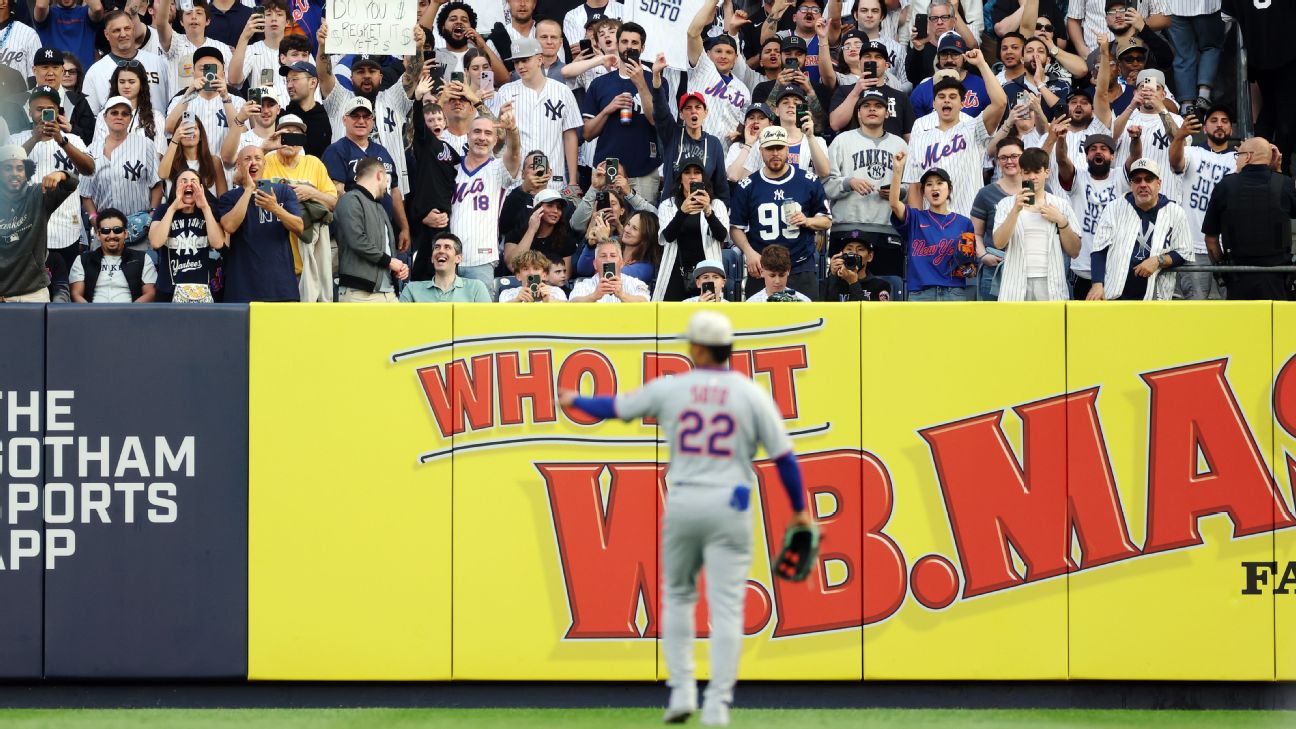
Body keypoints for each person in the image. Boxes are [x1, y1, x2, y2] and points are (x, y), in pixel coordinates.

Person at [558, 309, 812, 728]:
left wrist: (574, 399)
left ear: (695, 347)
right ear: (728, 348)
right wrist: (800, 511)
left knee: (677, 596)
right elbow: (784, 460)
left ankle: (681, 689)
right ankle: (717, 704)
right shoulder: (750, 393)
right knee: (728, 608)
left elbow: (614, 407)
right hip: (731, 503)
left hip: (687, 501)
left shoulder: (675, 388)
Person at [729, 126, 832, 300]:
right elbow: (735, 228)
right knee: (761, 325)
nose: (775, 153)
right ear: (761, 150)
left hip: (800, 265)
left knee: (806, 322)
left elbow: (826, 220)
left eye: (779, 148)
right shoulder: (747, 185)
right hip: (763, 270)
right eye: (769, 148)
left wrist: (806, 220)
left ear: (787, 148)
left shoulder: (808, 180)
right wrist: (749, 252)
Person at [904, 50, 1007, 217]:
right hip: (931, 224)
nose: (946, 100)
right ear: (934, 103)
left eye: (953, 96)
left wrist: (981, 64)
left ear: (962, 103)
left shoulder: (974, 128)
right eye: (941, 96)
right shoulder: (921, 135)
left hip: (967, 219)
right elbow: (915, 185)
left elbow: (1000, 103)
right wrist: (917, 226)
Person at [11, 86, 96, 275]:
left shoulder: (73, 139)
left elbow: (89, 169)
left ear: (57, 111)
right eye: (39, 109)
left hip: (66, 230)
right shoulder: (16, 140)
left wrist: (61, 140)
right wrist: (34, 139)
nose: (43, 114)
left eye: (48, 109)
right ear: (30, 112)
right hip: (25, 232)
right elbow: (5, 170)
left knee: (65, 291)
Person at [825, 89, 907, 278]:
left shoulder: (900, 145)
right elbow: (826, 184)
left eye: (878, 106)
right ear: (858, 112)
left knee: (886, 293)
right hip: (846, 228)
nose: (872, 110)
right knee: (842, 293)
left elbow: (911, 187)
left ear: (887, 113)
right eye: (866, 106)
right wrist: (849, 183)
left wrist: (898, 192)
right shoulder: (841, 141)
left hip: (886, 229)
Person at [1203, 137, 1296, 301]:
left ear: (1248, 156)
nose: (1236, 159)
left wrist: (1223, 267)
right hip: (1277, 278)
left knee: (1240, 326)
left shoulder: (1225, 186)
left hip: (1238, 277)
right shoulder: (1285, 184)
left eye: (1237, 155)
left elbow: (1211, 240)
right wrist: (1278, 171)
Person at [1087, 158, 1192, 301]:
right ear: (1131, 184)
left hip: (1156, 297)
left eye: (1148, 179)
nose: (1143, 185)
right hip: (1115, 295)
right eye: (1137, 180)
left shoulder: (1175, 212)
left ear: (1159, 184)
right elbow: (1099, 249)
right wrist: (1097, 284)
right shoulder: (1114, 208)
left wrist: (1158, 260)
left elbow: (1184, 252)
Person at [322, 97, 412, 258]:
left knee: (388, 278)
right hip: (355, 232)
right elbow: (337, 194)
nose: (361, 121)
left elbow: (394, 190)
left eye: (366, 116)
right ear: (344, 120)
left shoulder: (382, 151)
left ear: (372, 120)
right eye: (355, 116)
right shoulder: (336, 150)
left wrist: (404, 228)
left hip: (385, 228)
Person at [488, 37, 582, 193]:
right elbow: (497, 137)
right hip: (516, 181)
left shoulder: (562, 91)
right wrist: (498, 118)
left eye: (525, 60)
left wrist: (572, 180)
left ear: (539, 59)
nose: (520, 66)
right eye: (516, 62)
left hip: (554, 179)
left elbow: (570, 135)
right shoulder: (506, 91)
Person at [581, 22, 660, 201]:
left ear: (643, 47)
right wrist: (608, 110)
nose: (629, 46)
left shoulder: (655, 80)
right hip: (608, 167)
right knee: (606, 221)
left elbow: (656, 120)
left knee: (644, 226)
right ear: (617, 45)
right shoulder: (600, 83)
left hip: (643, 169)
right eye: (624, 41)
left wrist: (640, 82)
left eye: (634, 42)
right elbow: (587, 133)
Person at [990, 147, 1082, 300]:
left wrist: (1061, 221)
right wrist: (1015, 210)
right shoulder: (1006, 204)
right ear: (1021, 173)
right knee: (1016, 324)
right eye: (1026, 172)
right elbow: (999, 243)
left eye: (1037, 171)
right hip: (1015, 283)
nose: (1032, 177)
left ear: (1047, 172)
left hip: (1051, 283)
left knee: (1050, 325)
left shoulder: (1060, 204)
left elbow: (1075, 251)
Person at [217, 145, 305, 302]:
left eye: (258, 158)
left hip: (280, 287)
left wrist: (275, 208)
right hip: (242, 288)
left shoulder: (283, 192)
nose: (253, 163)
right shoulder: (229, 198)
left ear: (265, 164)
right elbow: (229, 226)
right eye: (247, 159)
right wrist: (248, 190)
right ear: (238, 165)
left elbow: (299, 227)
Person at [888, 152, 978, 301]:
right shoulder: (915, 218)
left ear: (949, 188)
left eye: (939, 183)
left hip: (954, 292)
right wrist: (897, 171)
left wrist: (967, 267)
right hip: (920, 293)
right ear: (923, 192)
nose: (934, 187)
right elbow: (894, 204)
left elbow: (971, 270)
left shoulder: (964, 223)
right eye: (929, 184)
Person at [449, 110, 522, 294]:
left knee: (480, 320)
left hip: (481, 260)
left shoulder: (497, 168)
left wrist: (512, 130)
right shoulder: (451, 169)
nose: (482, 137)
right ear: (467, 135)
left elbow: (514, 154)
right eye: (477, 132)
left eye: (488, 133)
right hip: (448, 259)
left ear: (496, 140)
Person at [1168, 105, 1235, 300]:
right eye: (1213, 121)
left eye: (1224, 121)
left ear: (1231, 129)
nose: (1219, 125)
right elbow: (1175, 162)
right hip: (1193, 246)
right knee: (1195, 303)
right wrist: (1179, 136)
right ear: (1204, 128)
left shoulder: (1238, 158)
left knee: (1232, 305)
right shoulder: (1193, 152)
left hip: (1228, 248)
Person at [1224, 0, 1296, 177]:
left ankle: (1259, 164)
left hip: (1259, 56)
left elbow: (1227, 17)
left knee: (1270, 108)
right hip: (1288, 55)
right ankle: (1281, 169)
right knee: (1284, 114)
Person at [1053, 129, 1127, 300]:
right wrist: (1061, 140)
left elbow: (1135, 157)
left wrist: (1136, 140)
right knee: (1083, 323)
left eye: (1104, 148)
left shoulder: (1120, 177)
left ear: (1112, 156)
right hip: (1082, 267)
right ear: (1086, 156)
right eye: (1093, 149)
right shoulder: (1078, 178)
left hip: (1115, 267)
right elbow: (1062, 160)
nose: (1098, 151)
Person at [0, 144, 79, 303]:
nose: (14, 173)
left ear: (27, 172)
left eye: (20, 168)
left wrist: (61, 174)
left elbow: (73, 183)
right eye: (8, 168)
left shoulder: (38, 194)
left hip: (35, 292)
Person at [79, 96, 163, 237]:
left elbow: (156, 185)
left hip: (139, 227)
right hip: (106, 231)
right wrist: (93, 217)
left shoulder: (145, 145)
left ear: (130, 118)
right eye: (114, 113)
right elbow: (86, 194)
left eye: (125, 114)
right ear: (105, 117)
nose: (119, 117)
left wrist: (152, 215)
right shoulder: (91, 150)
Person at [654, 157, 729, 301]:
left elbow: (722, 236)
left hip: (707, 273)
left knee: (706, 316)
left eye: (697, 172)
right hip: (675, 271)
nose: (692, 176)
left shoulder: (717, 205)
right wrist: (682, 212)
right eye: (687, 172)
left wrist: (708, 211)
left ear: (703, 178)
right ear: (680, 178)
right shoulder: (667, 205)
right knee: (673, 319)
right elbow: (667, 237)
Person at [335, 157, 408, 302]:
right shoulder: (350, 199)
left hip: (388, 291)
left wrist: (398, 268)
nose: (386, 186)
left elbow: (385, 248)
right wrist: (390, 262)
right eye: (387, 180)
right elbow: (357, 240)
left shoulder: (379, 206)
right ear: (380, 175)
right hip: (359, 292)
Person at [147, 169, 225, 302]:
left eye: (193, 182)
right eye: (183, 182)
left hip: (203, 290)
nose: (189, 184)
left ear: (201, 188)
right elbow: (155, 242)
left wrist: (205, 207)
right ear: (175, 188)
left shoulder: (209, 210)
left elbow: (218, 243)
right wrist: (173, 208)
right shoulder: (164, 209)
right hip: (168, 289)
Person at [650, 76, 730, 205]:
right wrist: (657, 81)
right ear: (681, 114)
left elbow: (721, 184)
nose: (693, 111)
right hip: (672, 208)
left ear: (706, 112)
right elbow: (661, 112)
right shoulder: (672, 134)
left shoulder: (714, 143)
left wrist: (723, 212)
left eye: (698, 107)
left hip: (703, 209)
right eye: (688, 108)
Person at [683, 0, 750, 141]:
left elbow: (743, 124)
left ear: (736, 58)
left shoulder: (743, 90)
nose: (723, 56)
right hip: (694, 147)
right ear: (707, 54)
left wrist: (740, 135)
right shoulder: (702, 68)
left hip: (724, 156)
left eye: (729, 52)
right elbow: (692, 33)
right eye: (718, 51)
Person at [826, 36, 916, 137]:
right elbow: (835, 124)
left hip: (891, 151)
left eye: (878, 57)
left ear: (887, 65)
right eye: (867, 56)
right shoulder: (845, 91)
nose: (873, 60)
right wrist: (856, 92)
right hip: (856, 151)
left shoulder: (900, 96)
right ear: (859, 64)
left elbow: (909, 136)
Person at [82, 11, 169, 114]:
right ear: (106, 34)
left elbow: (170, 101)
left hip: (157, 127)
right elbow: (90, 116)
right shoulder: (95, 72)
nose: (123, 34)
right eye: (116, 30)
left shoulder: (157, 62)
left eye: (127, 28)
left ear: (133, 29)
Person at [169, 46, 245, 164]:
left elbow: (243, 133)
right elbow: (169, 129)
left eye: (214, 69)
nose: (209, 74)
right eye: (203, 69)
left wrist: (225, 97)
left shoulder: (237, 100)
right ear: (194, 74)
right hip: (190, 173)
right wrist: (189, 93)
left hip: (227, 172)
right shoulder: (180, 99)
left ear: (223, 74)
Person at [70, 207, 158, 302]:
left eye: (117, 230)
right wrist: (92, 314)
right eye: (105, 231)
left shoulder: (143, 259)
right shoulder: (83, 260)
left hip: (130, 314)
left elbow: (150, 293)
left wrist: (129, 313)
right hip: (93, 314)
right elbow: (76, 294)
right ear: (98, 235)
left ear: (125, 234)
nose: (112, 236)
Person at [152, 0, 233, 101]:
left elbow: (231, 85)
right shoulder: (174, 42)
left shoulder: (223, 49)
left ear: (208, 21)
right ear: (181, 21)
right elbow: (161, 23)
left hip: (213, 112)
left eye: (199, 13)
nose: (194, 17)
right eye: (188, 13)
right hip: (178, 112)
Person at [907, 32, 991, 120]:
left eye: (955, 54)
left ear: (964, 57)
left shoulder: (981, 86)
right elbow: (915, 129)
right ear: (938, 58)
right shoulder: (922, 91)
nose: (949, 60)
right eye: (944, 55)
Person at [398, 232, 492, 302]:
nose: (441, 251)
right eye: (437, 247)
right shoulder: (412, 290)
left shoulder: (476, 288)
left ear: (458, 258)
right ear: (432, 258)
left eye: (447, 247)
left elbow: (487, 324)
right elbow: (400, 324)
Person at [29, 47, 95, 144]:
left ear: (62, 70)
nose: (50, 73)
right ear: (34, 70)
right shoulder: (20, 102)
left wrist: (72, 129)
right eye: (45, 67)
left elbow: (92, 139)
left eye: (55, 67)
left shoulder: (77, 101)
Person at [506, 188, 578, 273]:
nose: (555, 211)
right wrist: (531, 229)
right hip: (523, 284)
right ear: (537, 208)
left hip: (552, 285)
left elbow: (565, 275)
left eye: (559, 208)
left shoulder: (565, 237)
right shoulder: (518, 232)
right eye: (550, 205)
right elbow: (513, 266)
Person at [568, 238, 650, 302]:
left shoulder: (635, 283)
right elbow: (572, 303)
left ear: (621, 263)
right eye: (603, 256)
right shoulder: (584, 285)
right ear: (595, 264)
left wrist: (622, 295)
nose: (608, 259)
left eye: (613, 256)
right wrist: (594, 296)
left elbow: (645, 302)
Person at [281, 61, 331, 157]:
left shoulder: (326, 117)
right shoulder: (283, 118)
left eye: (295, 79)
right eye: (287, 80)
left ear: (313, 82)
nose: (289, 86)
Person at [825, 235, 891, 301]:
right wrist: (833, 276)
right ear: (841, 254)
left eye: (860, 249)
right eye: (849, 249)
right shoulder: (827, 283)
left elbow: (870, 311)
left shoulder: (880, 286)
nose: (854, 253)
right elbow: (826, 309)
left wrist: (853, 283)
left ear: (870, 256)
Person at [746, 243, 812, 301]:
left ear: (788, 271)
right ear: (762, 272)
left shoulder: (804, 302)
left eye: (781, 275)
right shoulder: (751, 304)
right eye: (772, 275)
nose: (777, 281)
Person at [500, 249, 567, 302]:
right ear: (518, 276)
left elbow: (566, 311)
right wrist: (517, 300)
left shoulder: (556, 292)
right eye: (525, 269)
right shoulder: (507, 294)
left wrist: (548, 301)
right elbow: (500, 314)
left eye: (536, 268)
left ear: (545, 275)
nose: (531, 273)